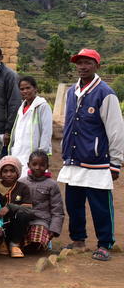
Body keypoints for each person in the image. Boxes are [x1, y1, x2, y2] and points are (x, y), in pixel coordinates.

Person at [58, 48, 124, 261]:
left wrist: (115, 162)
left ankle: (105, 244)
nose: (82, 67)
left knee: (100, 206)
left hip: (96, 160)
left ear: (97, 66)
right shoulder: (71, 92)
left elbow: (116, 130)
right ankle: (78, 240)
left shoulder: (106, 93)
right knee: (74, 204)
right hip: (73, 159)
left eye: (87, 63)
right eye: (79, 63)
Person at [21, 150, 64, 253]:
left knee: (36, 244)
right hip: (24, 220)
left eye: (42, 165)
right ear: (28, 165)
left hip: (42, 221)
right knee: (18, 242)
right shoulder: (21, 182)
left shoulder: (52, 185)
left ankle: (43, 242)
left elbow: (57, 210)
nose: (37, 168)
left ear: (47, 166)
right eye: (34, 164)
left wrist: (54, 230)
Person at [8, 76, 53, 167]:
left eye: (28, 88)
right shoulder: (21, 108)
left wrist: (41, 153)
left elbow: (46, 131)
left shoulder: (42, 106)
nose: (25, 91)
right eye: (22, 89)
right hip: (18, 153)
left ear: (35, 89)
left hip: (34, 156)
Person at [0, 156, 33, 258]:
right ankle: (1, 242)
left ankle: (14, 244)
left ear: (18, 172)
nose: (8, 174)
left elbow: (28, 208)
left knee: (23, 214)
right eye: (5, 171)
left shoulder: (23, 188)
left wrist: (10, 207)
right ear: (0, 173)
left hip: (16, 225)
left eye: (12, 171)